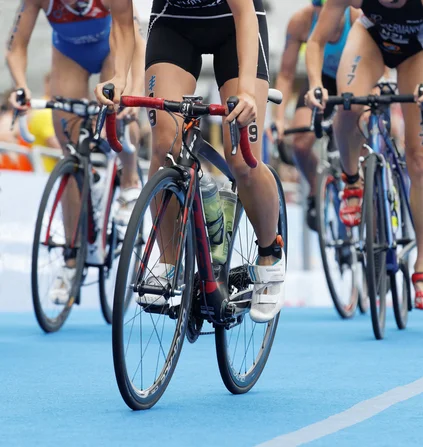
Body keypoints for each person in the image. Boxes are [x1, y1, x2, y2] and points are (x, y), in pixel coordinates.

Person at [94, 0, 286, 323]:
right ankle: (169, 262)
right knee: (165, 145)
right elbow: (124, 23)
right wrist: (118, 77)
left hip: (234, 24)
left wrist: (248, 93)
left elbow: (244, 16)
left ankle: (270, 254)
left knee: (240, 157)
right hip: (174, 24)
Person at [305, 0, 423, 309]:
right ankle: (351, 178)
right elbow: (315, 41)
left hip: (419, 51)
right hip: (371, 40)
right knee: (348, 105)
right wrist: (315, 84)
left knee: (420, 159)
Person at [5, 0, 146, 304]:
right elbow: (16, 46)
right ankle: (72, 257)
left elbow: (134, 35)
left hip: (115, 49)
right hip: (69, 55)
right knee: (70, 151)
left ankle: (130, 178)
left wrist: (133, 92)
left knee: (120, 118)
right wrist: (20, 86)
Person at [269, 0, 360, 231]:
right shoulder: (301, 22)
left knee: (359, 133)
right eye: (320, 11)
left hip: (353, 77)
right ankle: (315, 189)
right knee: (300, 143)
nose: (326, 18)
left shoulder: (356, 17)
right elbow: (286, 75)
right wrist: (278, 119)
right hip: (320, 80)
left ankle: (361, 183)